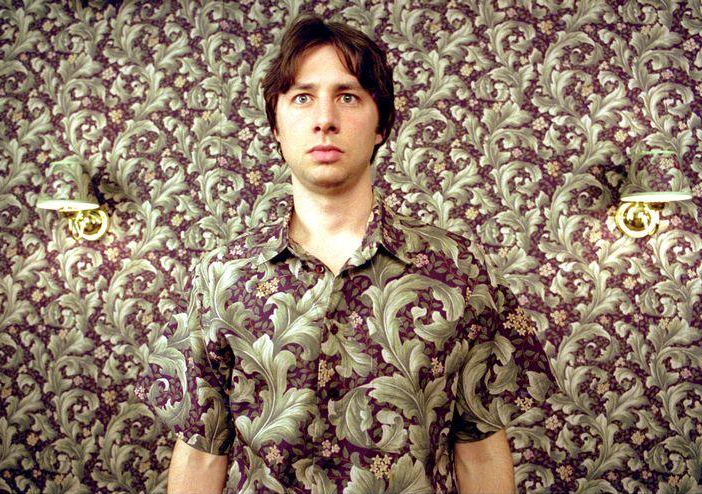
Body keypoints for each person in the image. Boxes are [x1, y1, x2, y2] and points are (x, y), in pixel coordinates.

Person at [163, 13, 552, 494]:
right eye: (302, 97)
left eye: (348, 96)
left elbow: (480, 450)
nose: (325, 119)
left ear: (381, 124)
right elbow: (202, 453)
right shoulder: (222, 276)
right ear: (276, 125)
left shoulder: (458, 270)